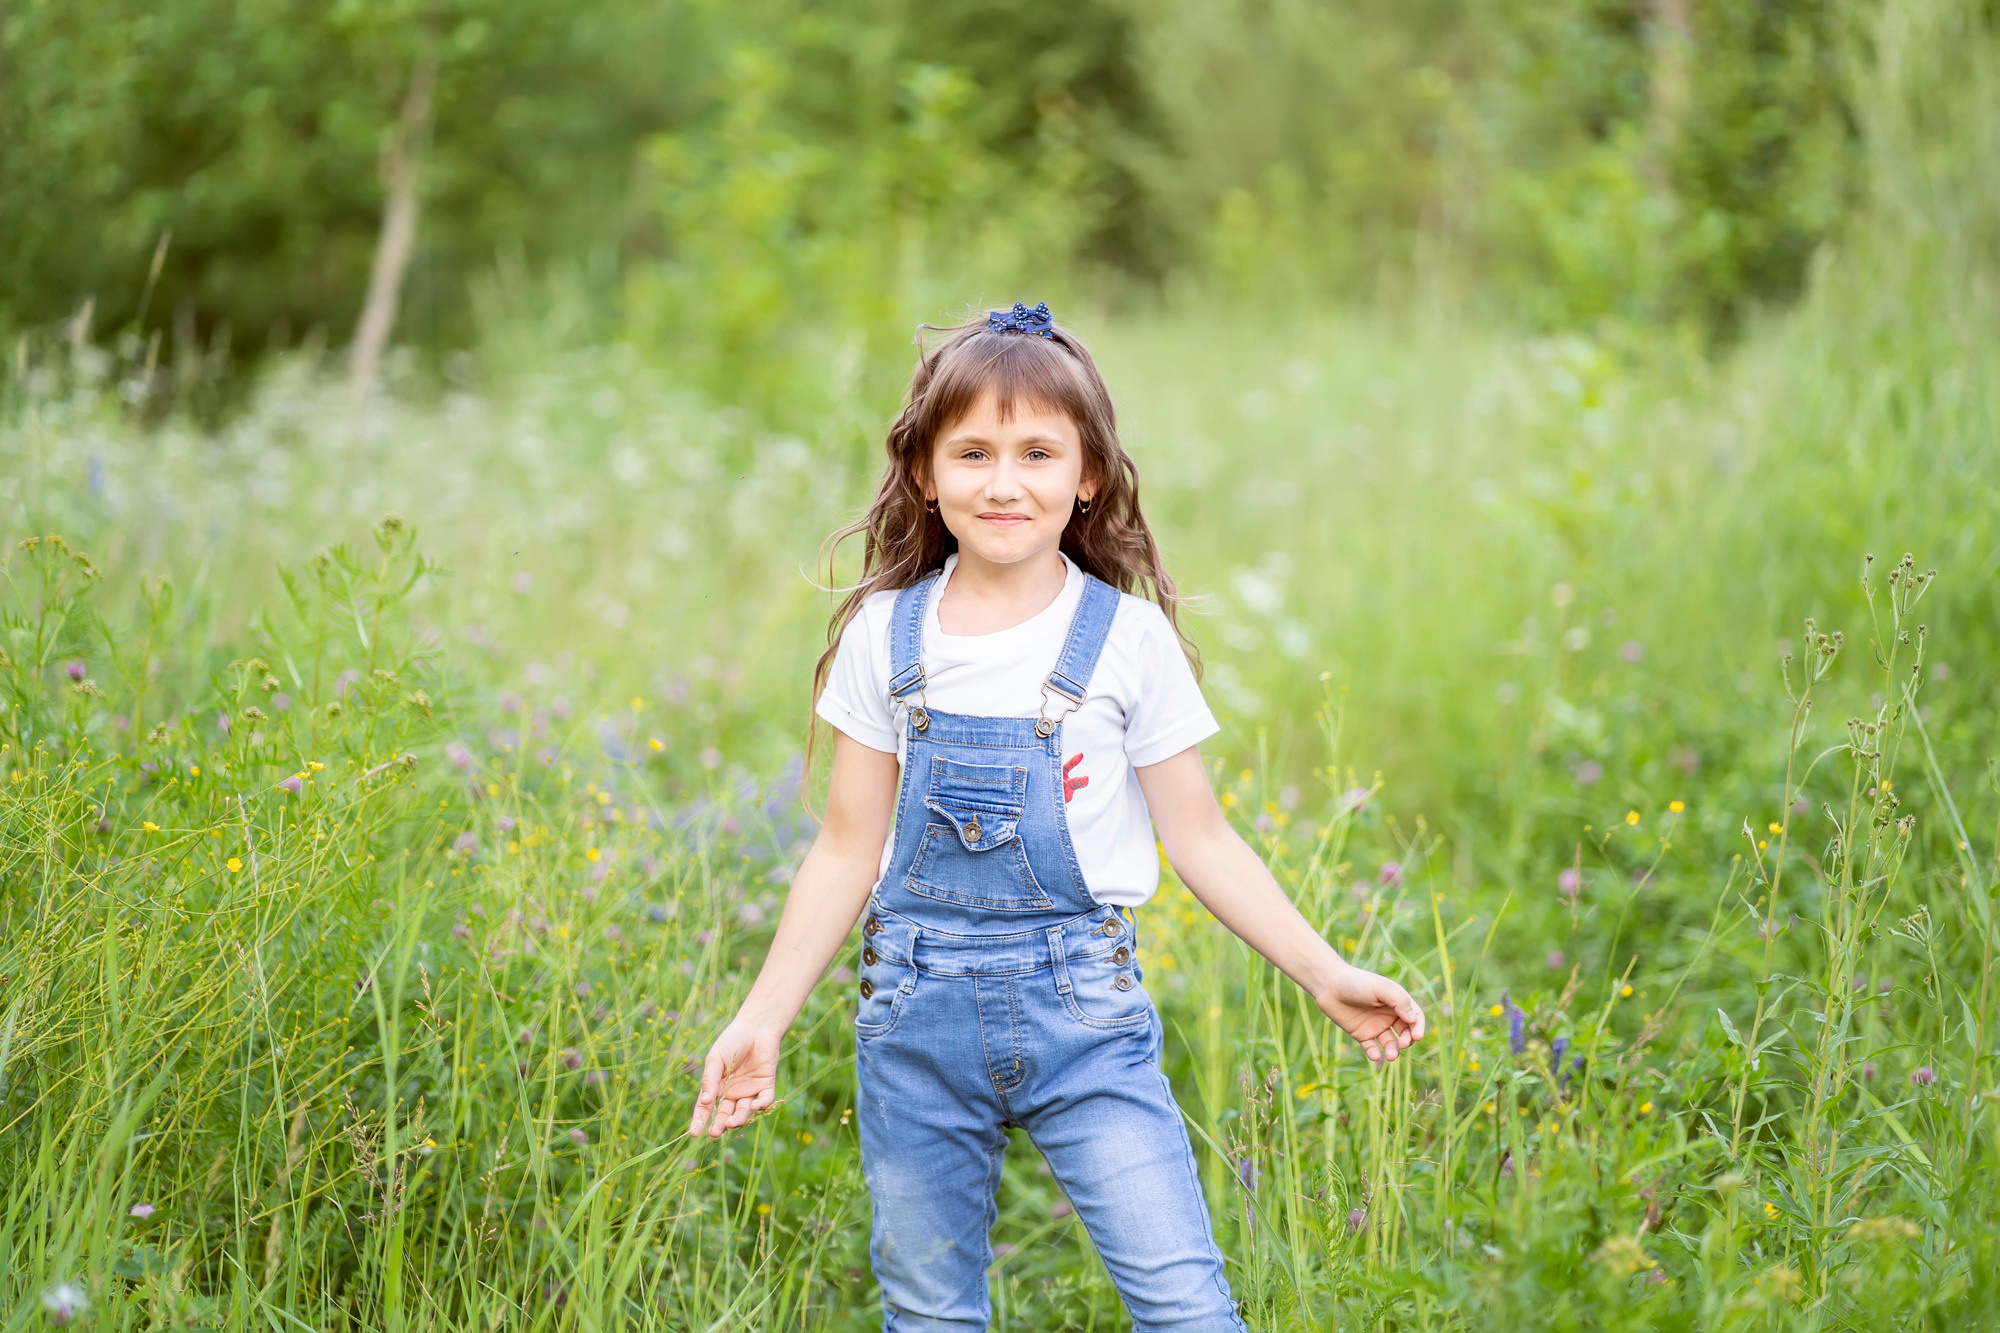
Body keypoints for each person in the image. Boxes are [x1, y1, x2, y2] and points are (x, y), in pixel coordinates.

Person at [688, 301, 1425, 1330]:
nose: (1003, 483)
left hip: (1083, 1012)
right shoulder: (882, 635)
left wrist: (1324, 971)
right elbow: (847, 846)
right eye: (972, 453)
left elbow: (1201, 838)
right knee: (927, 1310)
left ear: (1087, 476)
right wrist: (761, 1017)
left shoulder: (1126, 639)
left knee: (1182, 1302)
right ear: (924, 473)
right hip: (913, 1014)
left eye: (1037, 453)